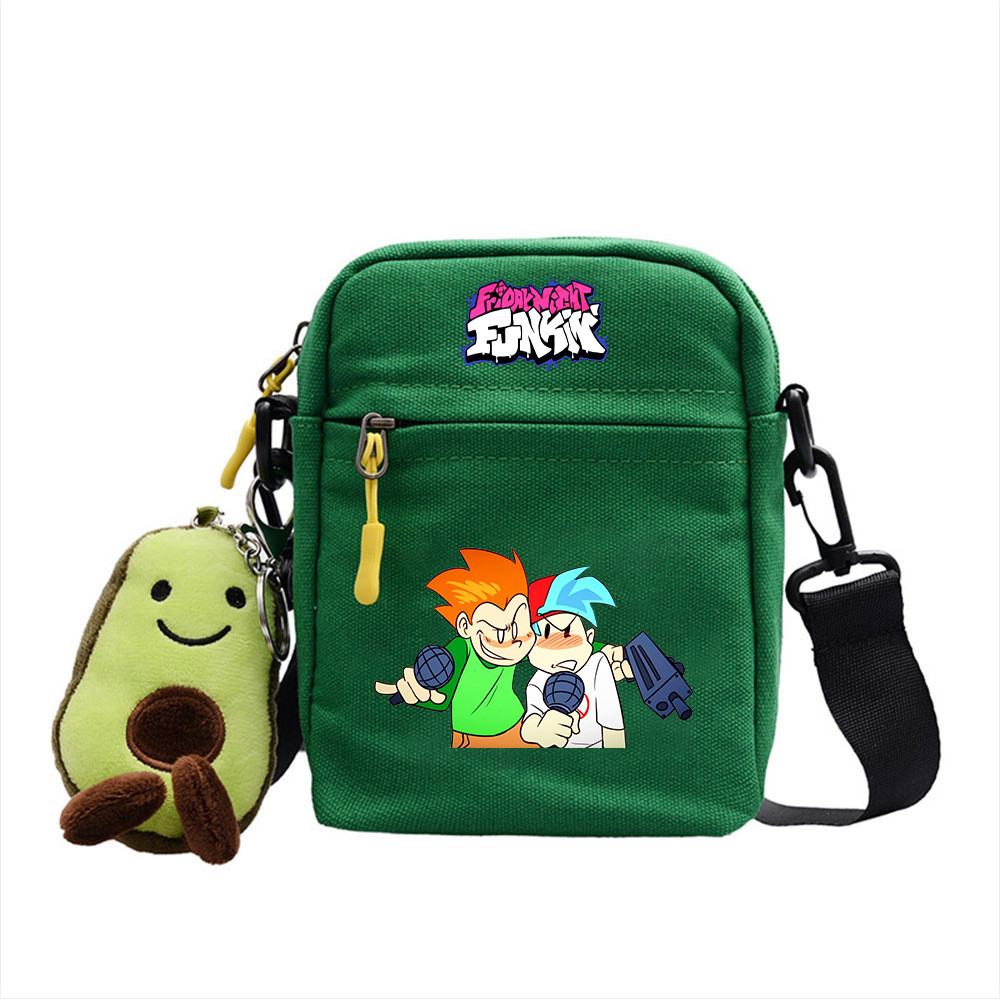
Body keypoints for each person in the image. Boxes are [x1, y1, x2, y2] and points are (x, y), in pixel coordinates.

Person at [374, 549, 544, 747]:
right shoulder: (460, 651)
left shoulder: (522, 644)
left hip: (518, 725)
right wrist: (420, 693)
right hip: (471, 738)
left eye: (523, 626)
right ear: (465, 626)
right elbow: (440, 696)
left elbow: (546, 651)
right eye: (499, 632)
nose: (515, 641)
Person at [522, 568, 629, 748]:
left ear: (589, 637)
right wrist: (538, 732)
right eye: (547, 638)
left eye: (568, 635)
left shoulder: (598, 666)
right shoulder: (537, 683)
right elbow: (530, 723)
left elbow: (613, 726)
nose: (560, 649)